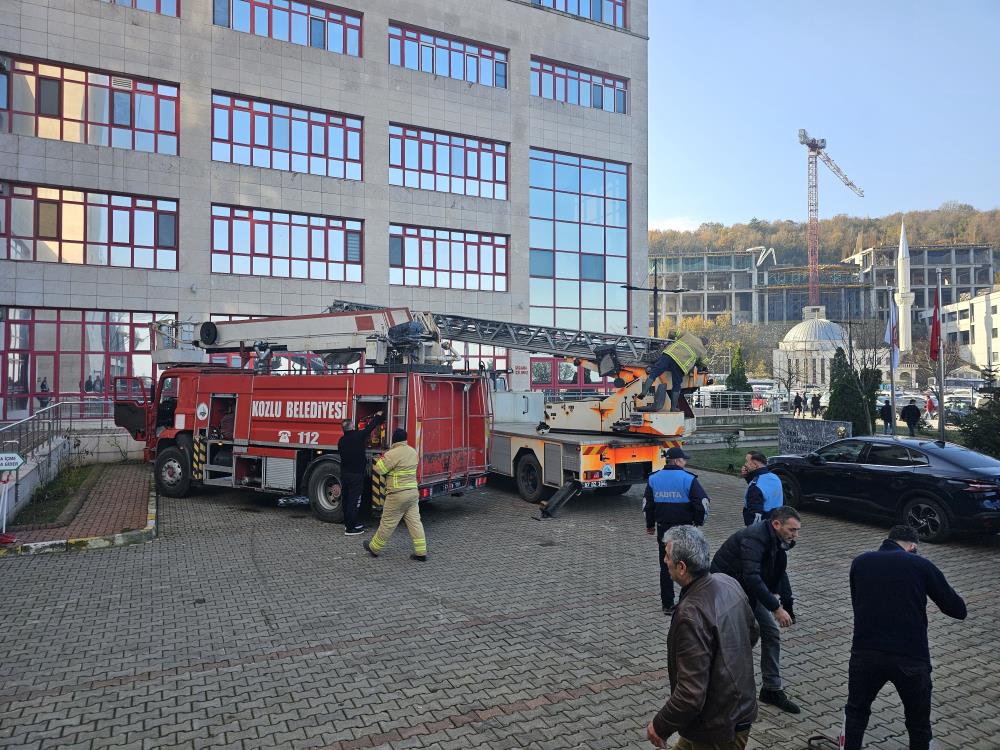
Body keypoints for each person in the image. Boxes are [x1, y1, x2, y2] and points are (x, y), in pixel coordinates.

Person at [843, 525, 967, 750]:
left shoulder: (860, 562)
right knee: (918, 723)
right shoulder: (920, 565)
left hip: (866, 651)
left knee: (855, 713)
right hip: (911, 655)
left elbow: (857, 602)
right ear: (912, 546)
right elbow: (957, 610)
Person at [645, 526, 758, 750]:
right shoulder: (727, 582)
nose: (664, 560)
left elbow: (690, 694)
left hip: (718, 727)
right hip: (728, 713)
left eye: (667, 555)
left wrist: (660, 726)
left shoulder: (690, 614)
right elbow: (752, 632)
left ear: (682, 567)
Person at [711, 506, 802, 714]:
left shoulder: (778, 540)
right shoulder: (754, 538)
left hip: (749, 590)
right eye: (792, 530)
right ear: (776, 524)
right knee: (740, 641)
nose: (795, 535)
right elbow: (751, 577)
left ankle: (771, 689)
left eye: (797, 530)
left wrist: (787, 603)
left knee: (771, 632)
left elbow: (780, 571)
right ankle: (721, 686)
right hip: (729, 592)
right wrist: (776, 608)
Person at [644, 447, 711, 615]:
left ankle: (667, 605)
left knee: (666, 565)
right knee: (689, 564)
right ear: (677, 461)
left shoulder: (654, 478)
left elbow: (648, 505)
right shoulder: (688, 478)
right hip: (685, 529)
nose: (685, 462)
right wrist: (698, 521)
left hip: (663, 529)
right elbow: (702, 503)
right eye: (683, 460)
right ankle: (688, 600)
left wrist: (650, 525)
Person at [364, 428, 427, 560]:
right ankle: (421, 552)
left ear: (394, 440)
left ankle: (374, 548)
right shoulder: (413, 451)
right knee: (415, 523)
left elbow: (379, 469)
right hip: (412, 493)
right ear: (405, 439)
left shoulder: (392, 454)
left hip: (397, 494)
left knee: (387, 523)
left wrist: (382, 457)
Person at [337, 410, 385, 536]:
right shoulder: (358, 436)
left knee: (346, 499)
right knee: (354, 500)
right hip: (356, 474)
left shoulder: (341, 441)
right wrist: (377, 416)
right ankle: (350, 529)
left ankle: (349, 523)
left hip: (345, 474)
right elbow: (369, 428)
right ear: (352, 426)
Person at [641, 333, 709, 411]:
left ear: (698, 337)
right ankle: (673, 407)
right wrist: (697, 362)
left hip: (669, 355)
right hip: (680, 364)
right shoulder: (702, 350)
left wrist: (670, 339)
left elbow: (673, 332)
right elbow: (705, 363)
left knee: (655, 372)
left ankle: (644, 391)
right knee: (676, 385)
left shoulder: (687, 335)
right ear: (704, 344)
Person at [740, 451, 782, 526]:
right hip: (775, 521)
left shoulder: (755, 486)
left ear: (755, 465)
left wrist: (753, 530)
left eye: (747, 462)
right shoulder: (775, 477)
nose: (745, 465)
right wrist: (748, 476)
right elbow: (763, 487)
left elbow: (755, 516)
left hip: (762, 527)